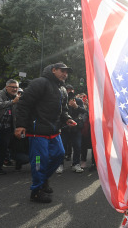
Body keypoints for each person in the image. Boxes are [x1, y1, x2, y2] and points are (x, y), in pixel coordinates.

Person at [15, 62, 76, 203]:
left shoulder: (62, 89)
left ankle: (42, 179)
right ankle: (36, 191)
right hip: (37, 132)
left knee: (59, 155)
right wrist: (20, 125)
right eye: (62, 71)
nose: (65, 74)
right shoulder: (40, 82)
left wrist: (67, 118)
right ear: (54, 70)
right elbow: (24, 104)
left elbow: (64, 109)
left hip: (54, 130)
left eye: (67, 72)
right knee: (38, 161)